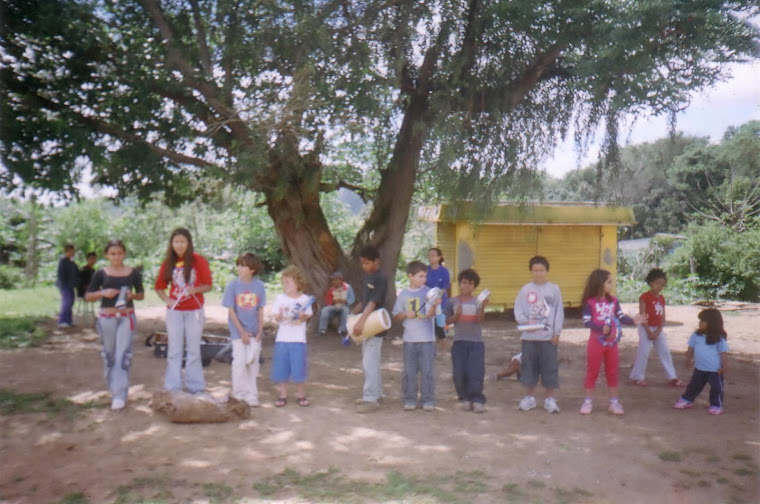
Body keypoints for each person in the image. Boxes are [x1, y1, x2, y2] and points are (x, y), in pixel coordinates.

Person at [85, 240, 144, 410]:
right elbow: (88, 295)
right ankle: (113, 389)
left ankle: (120, 394)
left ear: (124, 254)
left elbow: (141, 294)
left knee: (123, 354)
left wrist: (132, 296)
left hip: (127, 317)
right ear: (107, 255)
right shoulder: (100, 273)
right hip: (107, 318)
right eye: (112, 254)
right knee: (109, 354)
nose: (116, 256)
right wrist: (102, 292)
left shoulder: (132, 273)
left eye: (119, 253)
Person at [580, 269, 647, 416]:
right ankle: (588, 401)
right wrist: (600, 328)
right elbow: (586, 321)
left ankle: (614, 402)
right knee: (593, 371)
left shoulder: (614, 301)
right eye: (608, 282)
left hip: (612, 343)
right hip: (596, 343)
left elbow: (621, 317)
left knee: (612, 371)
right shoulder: (590, 302)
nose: (612, 285)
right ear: (599, 283)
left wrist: (633, 321)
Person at [154, 228, 213, 394]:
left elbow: (208, 284)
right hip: (175, 311)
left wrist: (194, 290)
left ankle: (196, 386)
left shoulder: (198, 260)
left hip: (194, 310)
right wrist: (168, 299)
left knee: (194, 349)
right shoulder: (168, 263)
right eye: (176, 242)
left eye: (182, 242)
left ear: (189, 243)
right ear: (171, 244)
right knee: (174, 349)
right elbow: (159, 287)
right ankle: (173, 387)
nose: (179, 245)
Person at [514, 256, 565, 413]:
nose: (538, 273)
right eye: (535, 270)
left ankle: (550, 399)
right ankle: (529, 398)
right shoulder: (525, 290)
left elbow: (558, 312)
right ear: (531, 271)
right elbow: (518, 309)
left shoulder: (554, 289)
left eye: (541, 270)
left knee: (549, 368)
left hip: (547, 338)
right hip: (529, 338)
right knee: (529, 367)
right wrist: (524, 323)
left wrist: (557, 333)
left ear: (546, 271)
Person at [393, 261, 440, 412]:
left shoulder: (430, 293)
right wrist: (406, 314)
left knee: (427, 371)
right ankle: (410, 398)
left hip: (427, 339)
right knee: (409, 371)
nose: (423, 279)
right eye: (420, 276)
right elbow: (396, 315)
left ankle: (427, 399)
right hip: (409, 340)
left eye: (425, 276)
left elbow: (432, 314)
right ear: (410, 276)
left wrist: (433, 305)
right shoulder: (403, 295)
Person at [222, 253, 266, 407]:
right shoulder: (232, 286)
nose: (239, 268)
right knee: (239, 361)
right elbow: (231, 311)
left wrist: (260, 329)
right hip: (237, 331)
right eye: (238, 265)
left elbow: (260, 309)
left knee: (253, 362)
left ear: (252, 269)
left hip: (254, 331)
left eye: (243, 265)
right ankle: (238, 393)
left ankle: (252, 394)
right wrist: (241, 332)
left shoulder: (259, 286)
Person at [629, 268, 684, 387]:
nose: (660, 287)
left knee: (665, 352)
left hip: (658, 329)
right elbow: (642, 315)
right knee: (643, 352)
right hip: (646, 328)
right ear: (651, 282)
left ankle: (672, 377)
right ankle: (638, 376)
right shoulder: (644, 297)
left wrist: (658, 331)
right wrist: (649, 331)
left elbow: (663, 317)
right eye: (658, 283)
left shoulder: (661, 299)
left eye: (662, 285)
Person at [445, 268, 488, 413]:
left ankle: (477, 399)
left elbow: (480, 320)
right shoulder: (452, 301)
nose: (466, 286)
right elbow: (445, 321)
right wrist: (455, 317)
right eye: (464, 282)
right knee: (459, 372)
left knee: (475, 371)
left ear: (474, 286)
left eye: (470, 284)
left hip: (476, 342)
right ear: (459, 283)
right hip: (459, 341)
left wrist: (482, 308)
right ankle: (463, 398)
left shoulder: (477, 302)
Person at [352, 245, 388, 414]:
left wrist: (360, 322)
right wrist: (355, 311)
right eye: (362, 263)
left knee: (369, 362)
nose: (364, 266)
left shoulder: (380, 278)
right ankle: (378, 393)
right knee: (370, 360)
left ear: (376, 261)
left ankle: (370, 398)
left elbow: (374, 302)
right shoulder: (368, 276)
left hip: (375, 324)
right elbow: (365, 300)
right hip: (367, 323)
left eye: (367, 263)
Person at [270, 265, 313, 407]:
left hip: (298, 340)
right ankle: (283, 394)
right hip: (282, 339)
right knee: (282, 367)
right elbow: (276, 318)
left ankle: (301, 394)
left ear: (298, 283)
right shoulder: (280, 298)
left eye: (289, 282)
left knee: (299, 367)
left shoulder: (305, 299)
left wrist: (301, 316)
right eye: (284, 282)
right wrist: (280, 314)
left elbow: (305, 317)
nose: (285, 285)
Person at [674, 309, 729, 415]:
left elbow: (723, 353)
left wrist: (725, 366)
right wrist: (688, 359)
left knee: (716, 388)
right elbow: (691, 348)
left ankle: (716, 405)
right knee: (693, 385)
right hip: (699, 368)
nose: (700, 323)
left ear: (712, 323)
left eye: (703, 321)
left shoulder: (719, 338)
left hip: (714, 370)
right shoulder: (696, 335)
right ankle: (687, 399)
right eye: (700, 320)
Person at [426, 247, 451, 354]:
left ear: (439, 257)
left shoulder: (444, 271)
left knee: (440, 327)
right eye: (429, 255)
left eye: (433, 255)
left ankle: (444, 350)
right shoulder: (425, 270)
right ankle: (431, 349)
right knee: (428, 326)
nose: (431, 257)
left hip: (441, 304)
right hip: (427, 303)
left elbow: (445, 288)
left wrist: (437, 296)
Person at [318, 271, 355, 337]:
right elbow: (328, 300)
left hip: (344, 306)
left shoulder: (348, 287)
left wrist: (346, 301)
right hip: (334, 306)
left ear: (340, 280)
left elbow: (352, 298)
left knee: (346, 311)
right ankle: (322, 329)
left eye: (335, 280)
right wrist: (333, 301)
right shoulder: (332, 289)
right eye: (333, 280)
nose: (333, 282)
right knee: (324, 310)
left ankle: (342, 330)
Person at [56, 243, 80, 328]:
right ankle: (62, 320)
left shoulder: (72, 262)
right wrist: (63, 284)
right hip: (64, 285)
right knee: (66, 301)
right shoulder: (62, 261)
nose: (73, 253)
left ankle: (69, 320)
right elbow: (61, 275)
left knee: (71, 301)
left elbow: (77, 272)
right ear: (67, 251)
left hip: (71, 285)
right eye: (71, 251)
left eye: (73, 251)